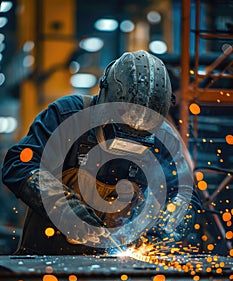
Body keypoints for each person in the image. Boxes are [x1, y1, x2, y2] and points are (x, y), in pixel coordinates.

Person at [1, 50, 201, 255]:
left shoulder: (163, 139)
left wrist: (165, 226)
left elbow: (186, 197)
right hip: (46, 263)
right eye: (122, 132)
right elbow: (19, 164)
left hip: (113, 270)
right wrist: (69, 213)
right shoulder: (68, 116)